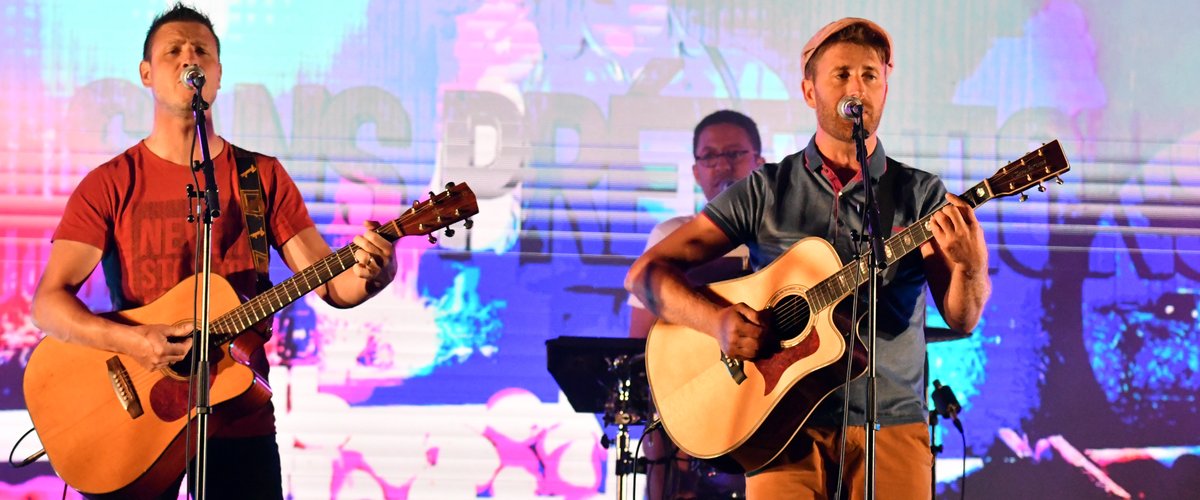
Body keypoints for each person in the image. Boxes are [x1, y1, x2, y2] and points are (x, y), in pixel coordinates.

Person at [29, 3, 397, 498]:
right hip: (134, 423)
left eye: (201, 51)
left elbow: (332, 285)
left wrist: (376, 273)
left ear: (218, 75)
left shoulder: (260, 177)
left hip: (237, 410)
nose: (189, 58)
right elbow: (49, 304)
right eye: (173, 51)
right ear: (146, 73)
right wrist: (136, 342)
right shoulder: (110, 183)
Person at [625, 17, 991, 499]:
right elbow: (645, 274)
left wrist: (970, 267)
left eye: (870, 75)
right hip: (780, 428)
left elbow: (963, 318)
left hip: (892, 423)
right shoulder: (765, 190)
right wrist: (716, 322)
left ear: (885, 88)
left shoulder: (920, 194)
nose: (857, 88)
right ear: (808, 91)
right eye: (841, 74)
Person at [628, 110, 764, 500]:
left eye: (735, 154)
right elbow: (639, 346)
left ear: (759, 163)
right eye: (710, 156)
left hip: (768, 409)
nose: (723, 165)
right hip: (689, 416)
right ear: (695, 171)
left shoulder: (780, 240)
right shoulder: (671, 237)